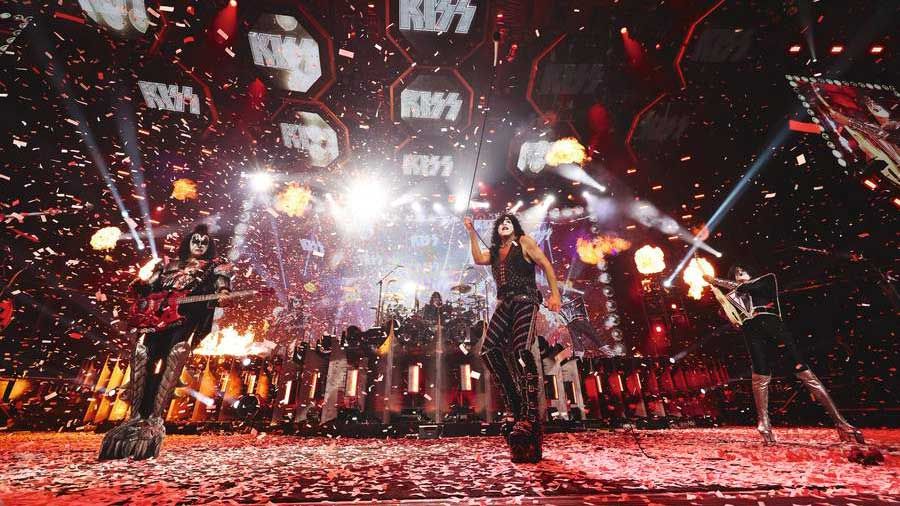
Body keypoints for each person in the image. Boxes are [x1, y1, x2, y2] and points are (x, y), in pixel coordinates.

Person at [99, 224, 232, 460]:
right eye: (196, 240)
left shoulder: (214, 265)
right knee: (141, 355)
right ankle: (136, 416)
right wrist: (140, 287)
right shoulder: (168, 263)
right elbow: (148, 287)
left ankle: (154, 418)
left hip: (186, 317)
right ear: (188, 242)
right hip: (157, 318)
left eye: (204, 242)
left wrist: (222, 293)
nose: (200, 245)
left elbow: (222, 284)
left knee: (176, 353)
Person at [705, 265, 864, 445]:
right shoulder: (737, 295)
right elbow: (734, 316)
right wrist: (726, 310)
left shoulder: (767, 279)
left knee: (802, 369)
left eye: (742, 270)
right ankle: (764, 424)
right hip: (752, 330)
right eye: (735, 273)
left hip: (773, 324)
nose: (739, 273)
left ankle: (841, 423)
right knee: (760, 374)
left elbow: (747, 286)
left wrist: (714, 280)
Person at [464, 214, 561, 462]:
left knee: (521, 350)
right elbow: (477, 258)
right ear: (497, 230)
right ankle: (514, 404)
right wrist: (471, 231)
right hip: (505, 303)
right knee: (488, 350)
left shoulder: (525, 242)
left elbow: (547, 265)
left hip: (526, 300)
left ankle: (529, 414)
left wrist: (555, 295)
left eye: (509, 221)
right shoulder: (496, 251)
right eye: (500, 222)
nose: (504, 223)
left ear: (514, 227)